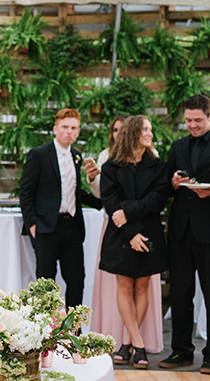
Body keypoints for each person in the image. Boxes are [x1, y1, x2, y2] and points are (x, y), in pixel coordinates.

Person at [89, 116, 165, 354]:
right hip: (121, 235)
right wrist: (131, 233)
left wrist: (129, 213)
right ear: (132, 133)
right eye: (145, 129)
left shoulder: (158, 165)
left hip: (148, 233)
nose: (150, 134)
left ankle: (129, 343)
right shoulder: (111, 167)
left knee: (142, 288)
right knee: (124, 288)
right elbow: (111, 203)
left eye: (150, 130)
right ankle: (137, 343)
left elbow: (157, 199)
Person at [19, 108, 102, 309]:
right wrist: (32, 223)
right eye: (65, 127)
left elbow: (74, 190)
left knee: (76, 279)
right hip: (46, 227)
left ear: (79, 131)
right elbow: (26, 191)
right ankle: (45, 328)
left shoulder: (77, 156)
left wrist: (102, 201)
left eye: (74, 128)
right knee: (45, 283)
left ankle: (74, 330)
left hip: (72, 226)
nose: (69, 132)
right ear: (55, 129)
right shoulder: (39, 155)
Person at [160, 94, 210, 374]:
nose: (192, 125)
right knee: (179, 294)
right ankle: (181, 352)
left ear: (209, 117)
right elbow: (165, 188)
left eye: (198, 120)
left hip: (208, 231)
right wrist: (174, 183)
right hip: (180, 232)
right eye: (188, 120)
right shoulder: (177, 146)